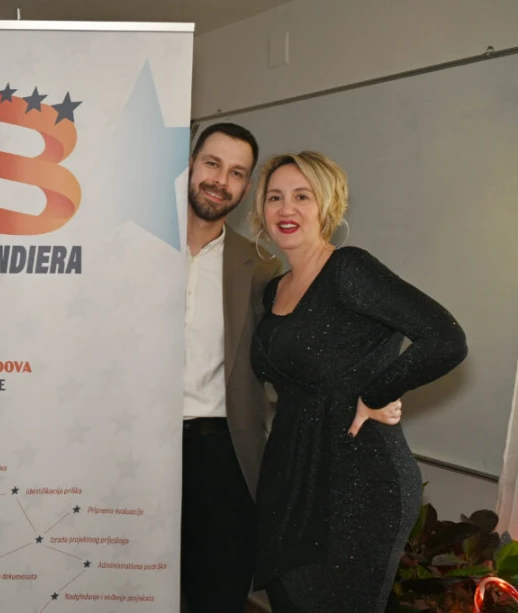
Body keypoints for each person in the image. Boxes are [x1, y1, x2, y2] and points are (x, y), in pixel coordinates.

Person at [249, 151, 468, 613]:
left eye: (302, 196)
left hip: (359, 483)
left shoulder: (349, 269)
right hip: (289, 479)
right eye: (274, 197)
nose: (286, 209)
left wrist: (376, 394)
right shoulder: (274, 290)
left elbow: (445, 339)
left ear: (327, 205)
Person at [181, 123, 281, 612]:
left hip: (220, 455)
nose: (221, 181)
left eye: (237, 173)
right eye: (212, 164)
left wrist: (375, 390)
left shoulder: (260, 266)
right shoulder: (134, 248)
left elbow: (291, 352)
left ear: (246, 187)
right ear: (190, 164)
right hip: (134, 448)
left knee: (217, 597)